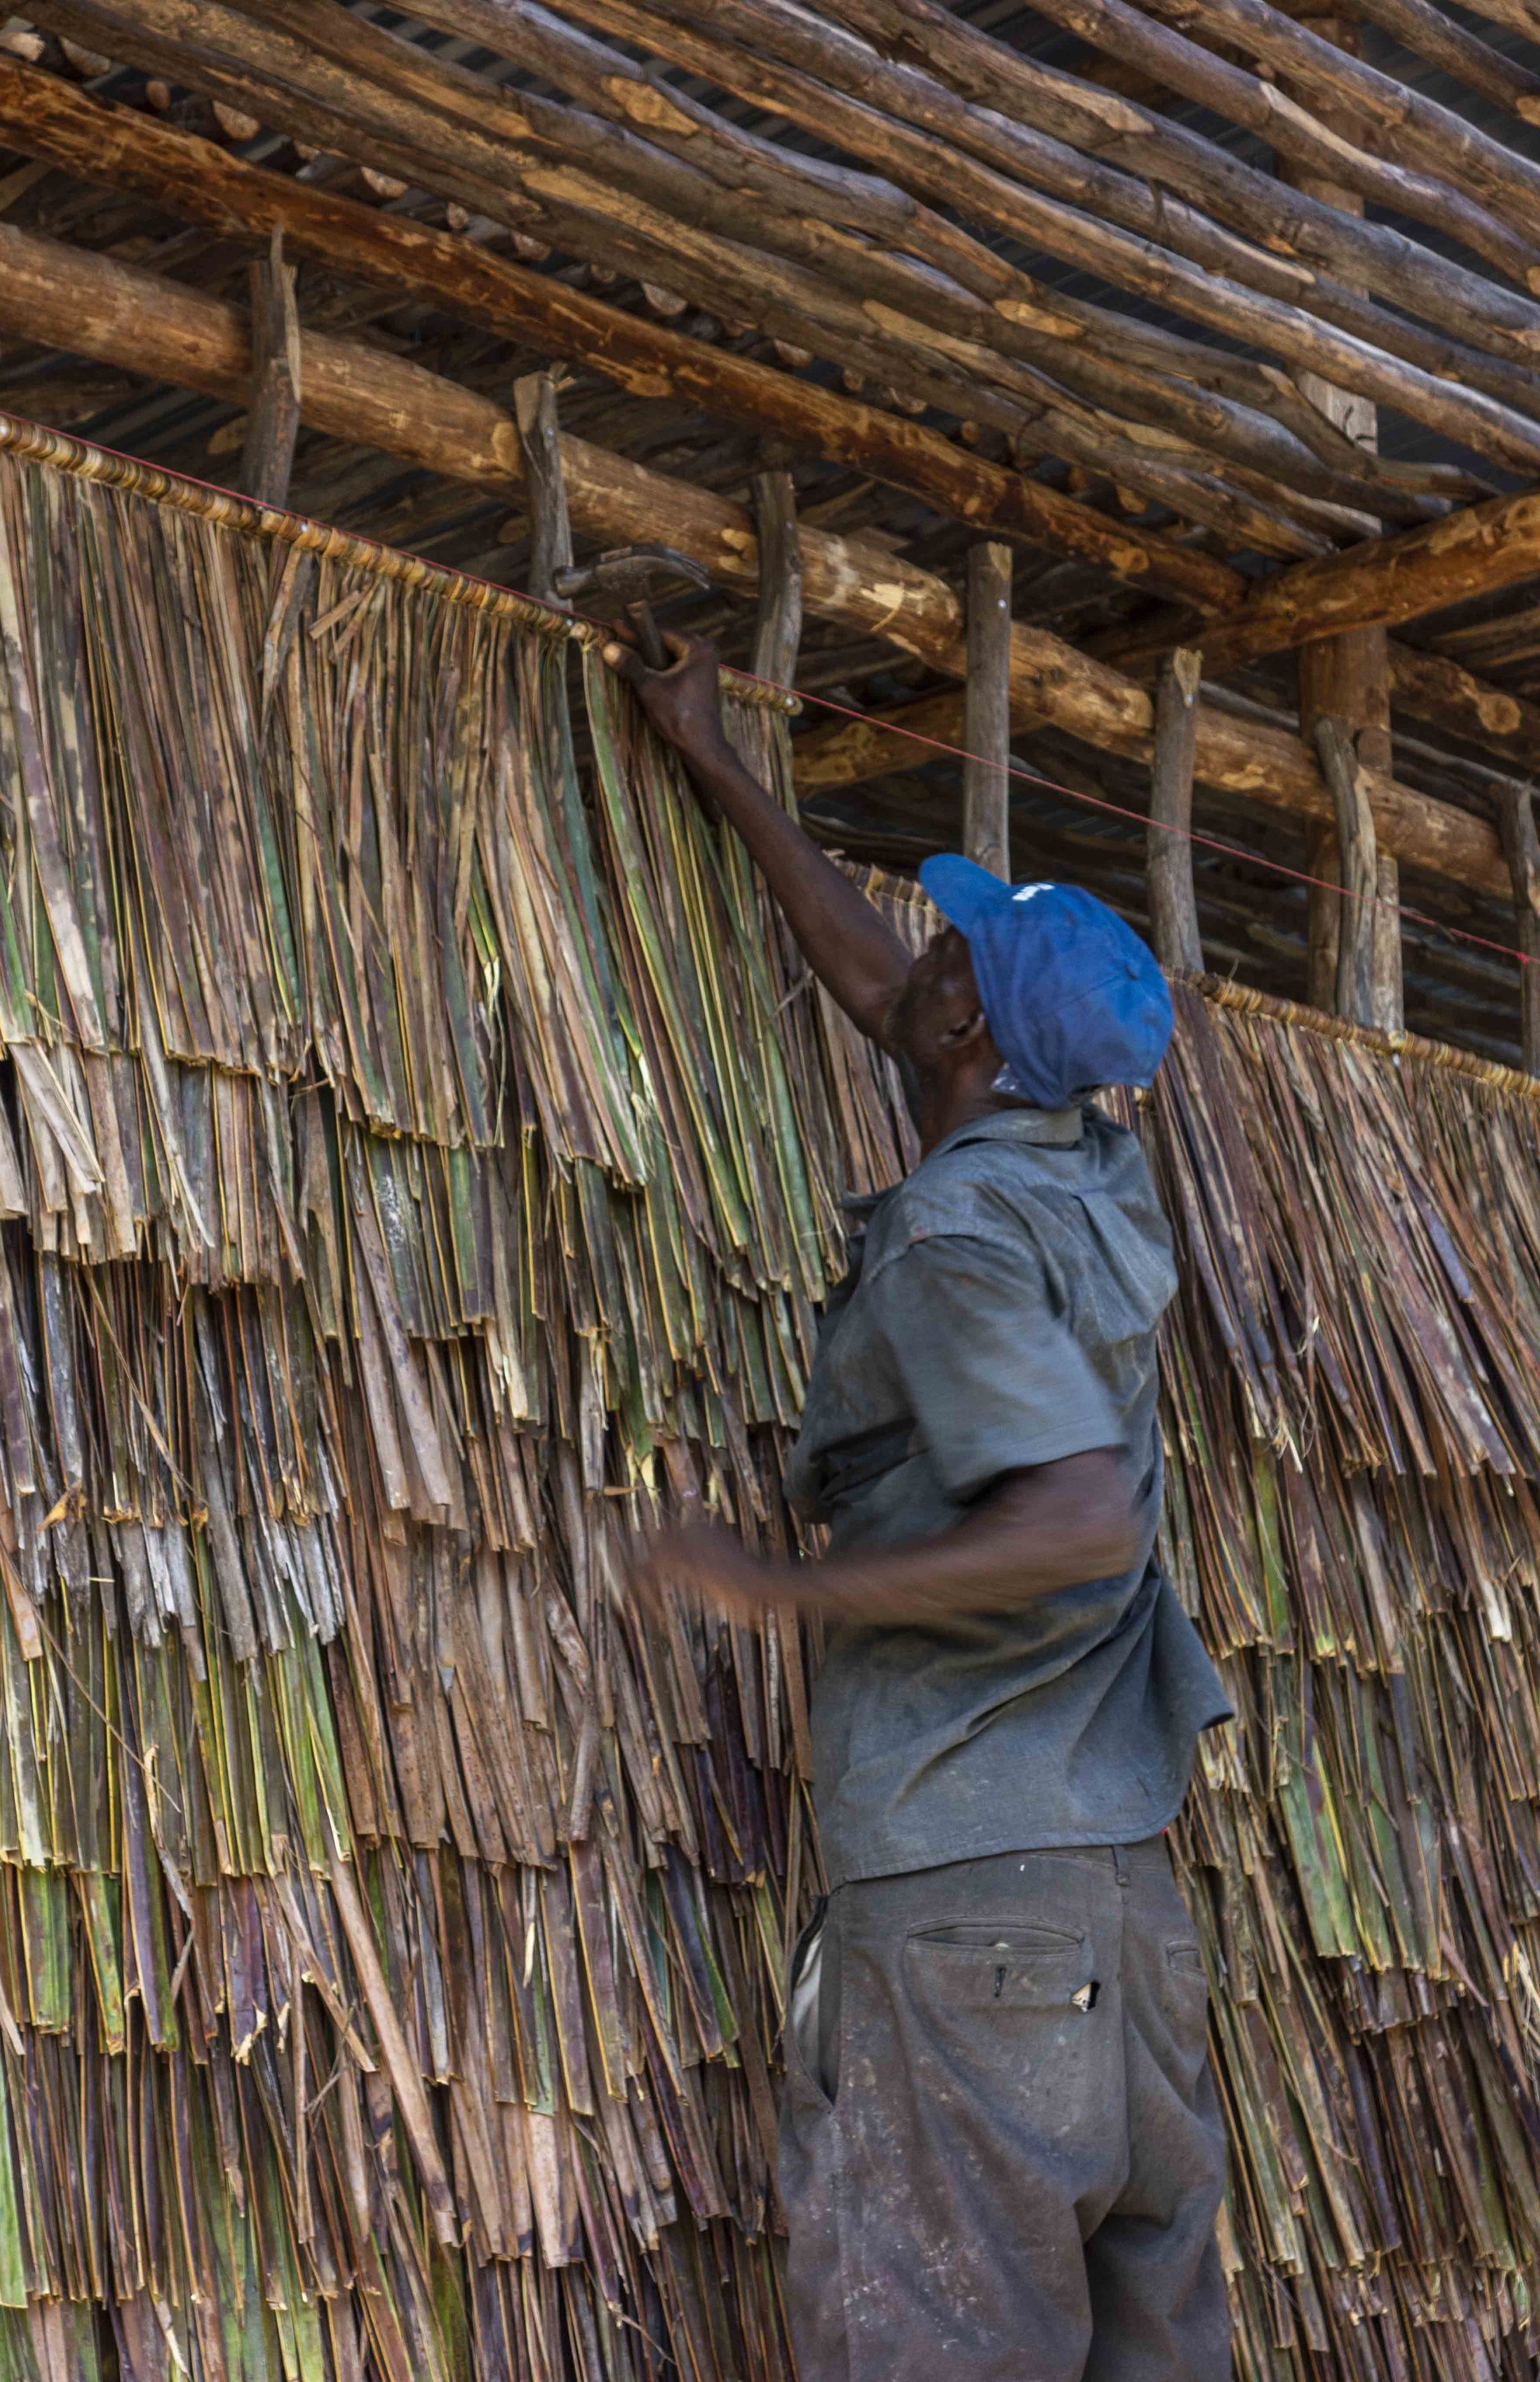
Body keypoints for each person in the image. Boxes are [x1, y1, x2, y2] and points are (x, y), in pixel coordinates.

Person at [606, 630, 1234, 2382]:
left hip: (973, 1931)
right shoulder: (1088, 1171)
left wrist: (768, 1585)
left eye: (952, 946)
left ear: (967, 1026)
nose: (924, 954)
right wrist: (717, 758)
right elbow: (884, 980)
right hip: (1119, 1921)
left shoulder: (958, 1238)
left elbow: (1075, 1519)